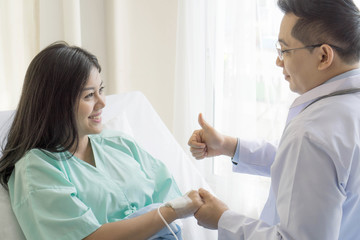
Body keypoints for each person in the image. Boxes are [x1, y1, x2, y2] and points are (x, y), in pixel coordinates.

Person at [188, 0, 360, 239]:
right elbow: (311, 172)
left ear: (323, 56)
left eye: (284, 50)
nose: (278, 61)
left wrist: (222, 218)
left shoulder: (311, 134)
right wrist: (230, 146)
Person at [0, 42, 203, 240]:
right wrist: (169, 213)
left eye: (101, 90)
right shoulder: (36, 167)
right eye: (89, 95)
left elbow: (170, 194)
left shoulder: (120, 143)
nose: (103, 102)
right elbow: (86, 237)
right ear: (57, 103)